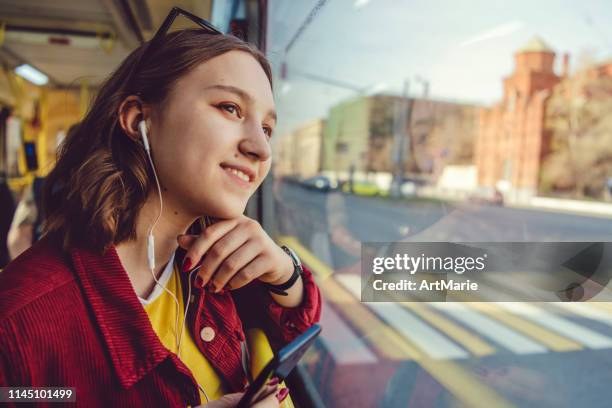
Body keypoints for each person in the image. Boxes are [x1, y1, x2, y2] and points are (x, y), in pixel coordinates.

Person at [0, 9, 321, 408]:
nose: (261, 148)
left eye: (268, 128)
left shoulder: (218, 264)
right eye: (230, 108)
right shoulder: (18, 320)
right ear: (139, 121)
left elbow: (294, 333)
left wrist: (285, 273)